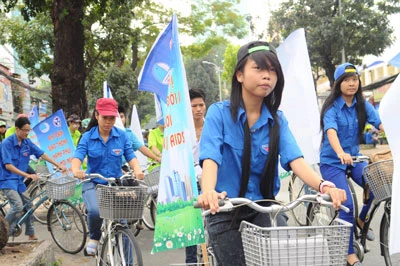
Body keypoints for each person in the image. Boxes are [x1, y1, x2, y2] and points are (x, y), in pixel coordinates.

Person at [196, 41, 347, 266]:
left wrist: (324, 186)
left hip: (264, 209)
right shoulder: (218, 114)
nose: (267, 76)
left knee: (284, 260)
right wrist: (208, 191)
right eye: (259, 68)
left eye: (272, 70)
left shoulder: (277, 121)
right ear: (239, 75)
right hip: (226, 210)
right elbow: (210, 159)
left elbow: (296, 160)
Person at [319, 62, 384, 266]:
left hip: (355, 160)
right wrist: (340, 152)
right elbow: (331, 131)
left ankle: (362, 220)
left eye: (354, 79)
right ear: (338, 84)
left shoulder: (363, 105)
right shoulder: (331, 108)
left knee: (378, 183)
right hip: (332, 162)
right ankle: (349, 254)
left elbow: (380, 123)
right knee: (346, 205)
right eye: (346, 80)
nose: (351, 83)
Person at [71, 98, 144, 256]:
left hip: (114, 186)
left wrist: (137, 169)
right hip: (93, 184)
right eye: (105, 117)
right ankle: (95, 238)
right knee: (95, 211)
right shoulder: (87, 137)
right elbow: (78, 156)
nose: (109, 122)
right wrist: (76, 169)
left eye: (112, 118)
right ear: (97, 115)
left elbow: (131, 156)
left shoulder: (122, 136)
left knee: (122, 225)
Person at [0, 117, 66, 240]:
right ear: (17, 129)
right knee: (17, 206)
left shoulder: (27, 142)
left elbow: (41, 153)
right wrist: (28, 175)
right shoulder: (6, 143)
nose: (27, 133)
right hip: (7, 179)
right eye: (25, 130)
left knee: (29, 206)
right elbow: (8, 165)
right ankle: (3, 233)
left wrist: (57, 164)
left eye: (28, 130)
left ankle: (30, 234)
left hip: (19, 180)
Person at [185, 88, 207, 265]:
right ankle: (191, 261)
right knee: (192, 225)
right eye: (194, 106)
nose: (198, 109)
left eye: (201, 105)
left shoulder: (212, 126)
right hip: (190, 183)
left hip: (210, 181)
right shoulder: (182, 131)